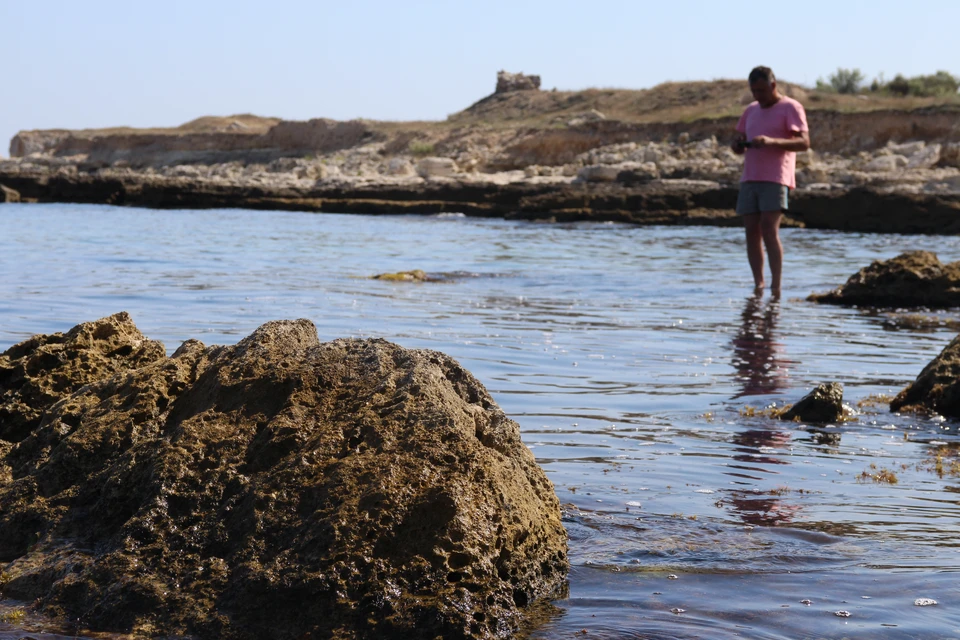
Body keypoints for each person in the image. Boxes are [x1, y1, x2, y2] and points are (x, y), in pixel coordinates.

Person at [732, 66, 810, 297]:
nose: (758, 96)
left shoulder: (791, 107)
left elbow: (804, 143)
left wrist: (770, 142)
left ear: (773, 86)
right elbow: (739, 139)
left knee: (769, 228)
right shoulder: (751, 110)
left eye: (762, 90)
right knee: (751, 231)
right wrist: (737, 145)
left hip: (776, 177)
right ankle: (759, 284)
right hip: (750, 177)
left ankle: (776, 286)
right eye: (754, 91)